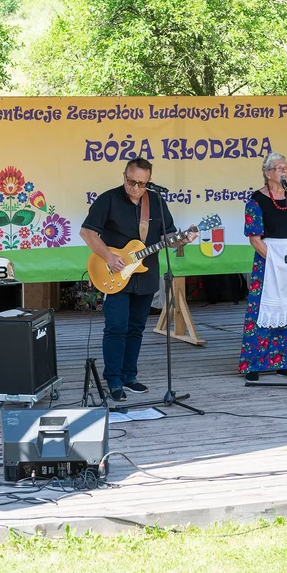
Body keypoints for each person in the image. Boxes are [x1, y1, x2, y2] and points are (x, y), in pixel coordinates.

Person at [81, 158, 197, 402]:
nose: (134, 187)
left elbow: (169, 237)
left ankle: (128, 376)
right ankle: (113, 379)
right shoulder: (108, 199)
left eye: (141, 183)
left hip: (145, 275)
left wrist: (183, 239)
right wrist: (109, 257)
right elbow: (87, 232)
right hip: (114, 273)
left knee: (135, 329)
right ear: (124, 175)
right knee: (116, 328)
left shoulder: (155, 201)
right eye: (130, 181)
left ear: (149, 182)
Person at [240, 153, 287, 382]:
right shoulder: (255, 201)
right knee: (262, 309)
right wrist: (275, 260)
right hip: (269, 257)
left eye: (286, 167)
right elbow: (254, 238)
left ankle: (286, 362)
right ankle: (254, 364)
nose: (284, 171)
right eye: (279, 167)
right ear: (267, 172)